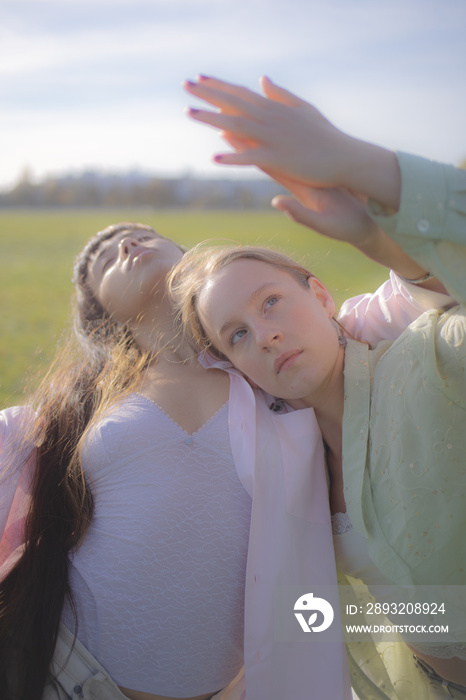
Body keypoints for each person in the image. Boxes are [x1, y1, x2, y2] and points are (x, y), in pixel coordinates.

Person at [0, 227, 450, 700]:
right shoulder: (82, 402)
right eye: (103, 259)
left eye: (141, 235)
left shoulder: (271, 355)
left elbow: (411, 294)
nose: (127, 245)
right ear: (99, 313)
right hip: (56, 669)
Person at [170, 76, 466, 698]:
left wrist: (368, 197)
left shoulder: (432, 362)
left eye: (272, 302)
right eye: (238, 335)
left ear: (323, 295)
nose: (266, 336)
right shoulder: (284, 471)